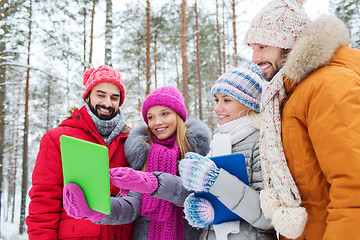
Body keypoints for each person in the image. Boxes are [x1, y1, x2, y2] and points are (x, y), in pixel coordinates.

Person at [244, 0, 360, 239]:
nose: (254, 58)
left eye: (263, 46)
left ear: (289, 45)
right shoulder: (288, 96)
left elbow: (353, 185)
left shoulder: (329, 86)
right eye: (251, 47)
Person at [62, 86, 212, 240]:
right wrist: (97, 210)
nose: (157, 122)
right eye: (151, 117)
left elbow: (194, 195)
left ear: (179, 115)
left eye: (165, 114)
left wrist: (154, 183)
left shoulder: (198, 154)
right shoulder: (144, 155)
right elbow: (130, 206)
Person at [25, 65, 134, 240]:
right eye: (101, 95)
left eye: (114, 97)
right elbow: (43, 202)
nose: (107, 103)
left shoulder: (130, 140)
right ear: (88, 95)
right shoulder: (57, 138)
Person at [179, 62, 277, 240]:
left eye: (227, 100)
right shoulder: (218, 142)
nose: (217, 108)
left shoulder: (263, 142)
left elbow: (268, 217)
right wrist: (206, 212)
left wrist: (214, 181)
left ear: (248, 103)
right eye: (216, 100)